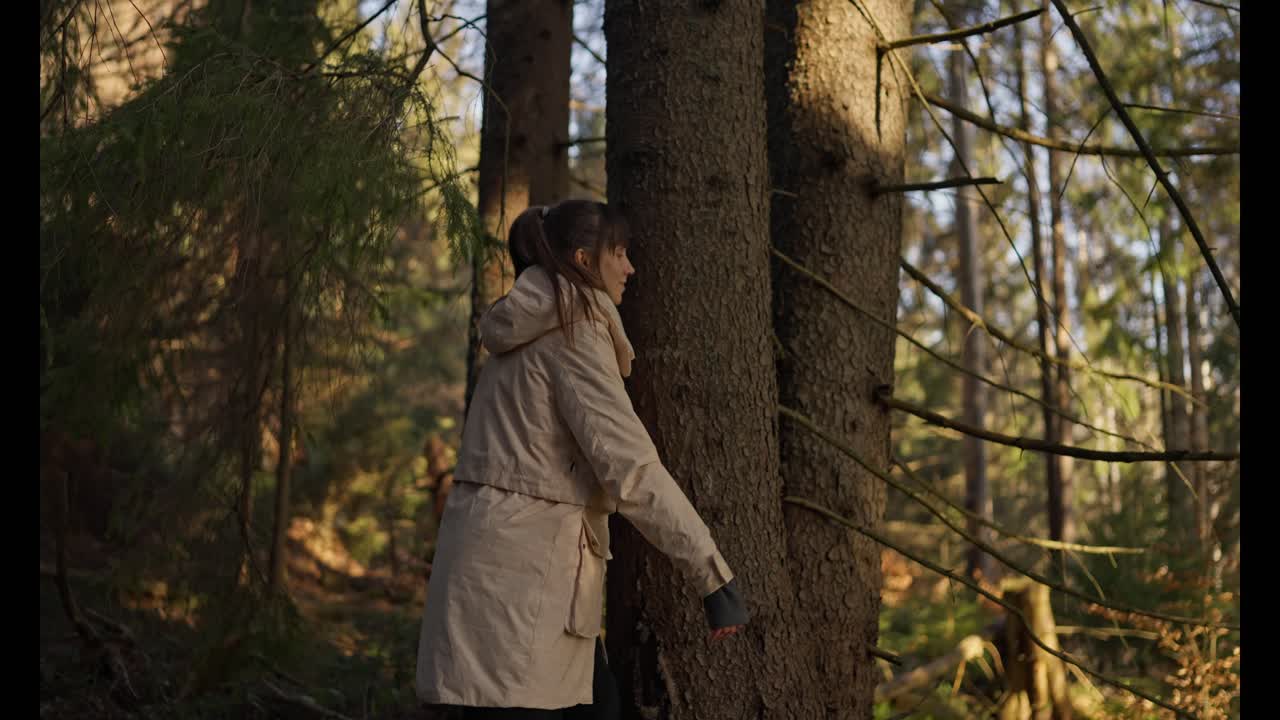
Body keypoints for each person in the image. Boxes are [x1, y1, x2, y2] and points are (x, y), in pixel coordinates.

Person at [415, 199, 749, 720]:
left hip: (504, 574)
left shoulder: (526, 327)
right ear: (584, 259)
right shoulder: (575, 333)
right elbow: (631, 469)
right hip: (524, 587)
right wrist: (712, 576)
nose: (631, 267)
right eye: (620, 252)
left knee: (599, 707)